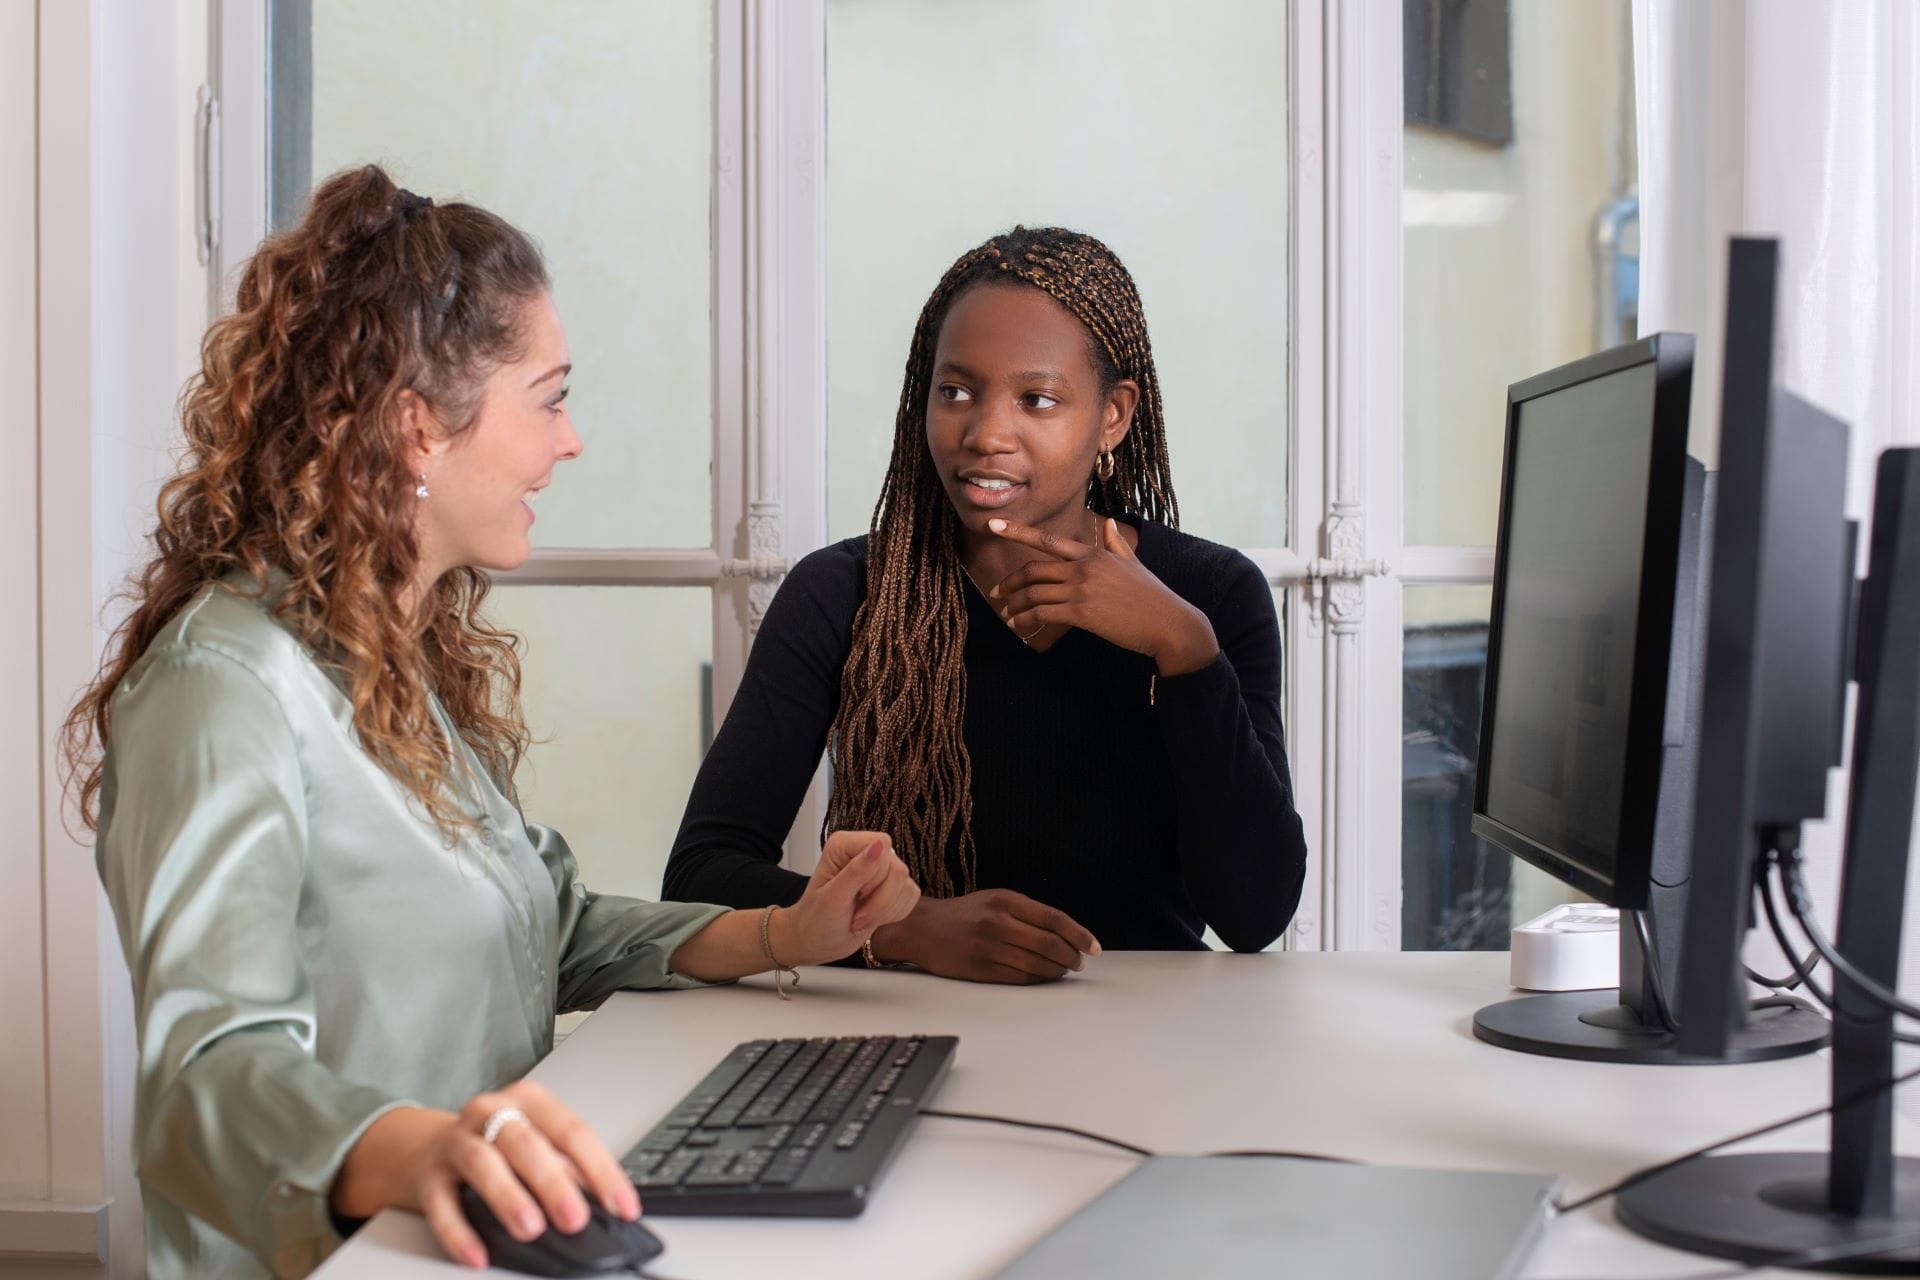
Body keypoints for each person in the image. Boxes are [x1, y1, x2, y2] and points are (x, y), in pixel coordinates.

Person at [62, 165, 918, 1280]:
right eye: (550, 397)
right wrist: (424, 1150)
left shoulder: (397, 664)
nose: (569, 444)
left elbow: (544, 925)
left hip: (466, 1245)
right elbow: (205, 1079)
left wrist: (785, 933)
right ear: (419, 427)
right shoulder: (224, 686)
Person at [664, 226, 1307, 983]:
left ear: (1114, 415)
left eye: (1037, 399)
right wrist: (907, 928)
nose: (985, 434)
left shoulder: (1209, 597)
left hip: (1150, 1039)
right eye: (956, 392)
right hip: (904, 1025)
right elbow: (700, 878)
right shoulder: (841, 595)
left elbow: (1256, 914)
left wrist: (1184, 647)